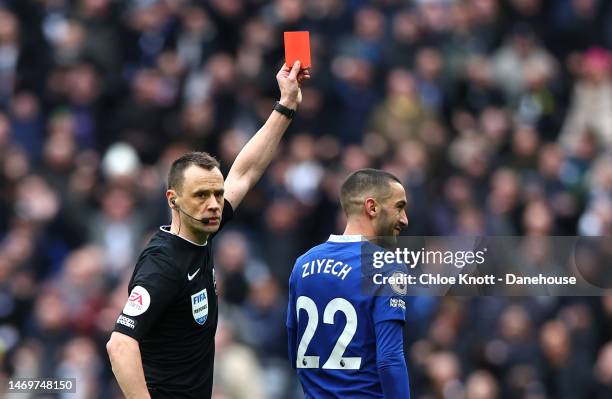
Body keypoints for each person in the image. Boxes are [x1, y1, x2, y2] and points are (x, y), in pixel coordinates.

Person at [106, 61, 309, 399]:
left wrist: (286, 105)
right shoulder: (163, 263)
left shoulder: (202, 231)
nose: (214, 203)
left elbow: (245, 172)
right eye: (201, 195)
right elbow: (119, 344)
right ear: (173, 200)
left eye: (217, 193)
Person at [287, 169, 411, 398]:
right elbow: (390, 360)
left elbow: (293, 349)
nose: (405, 219)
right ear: (372, 207)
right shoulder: (386, 266)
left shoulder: (302, 265)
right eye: (399, 207)